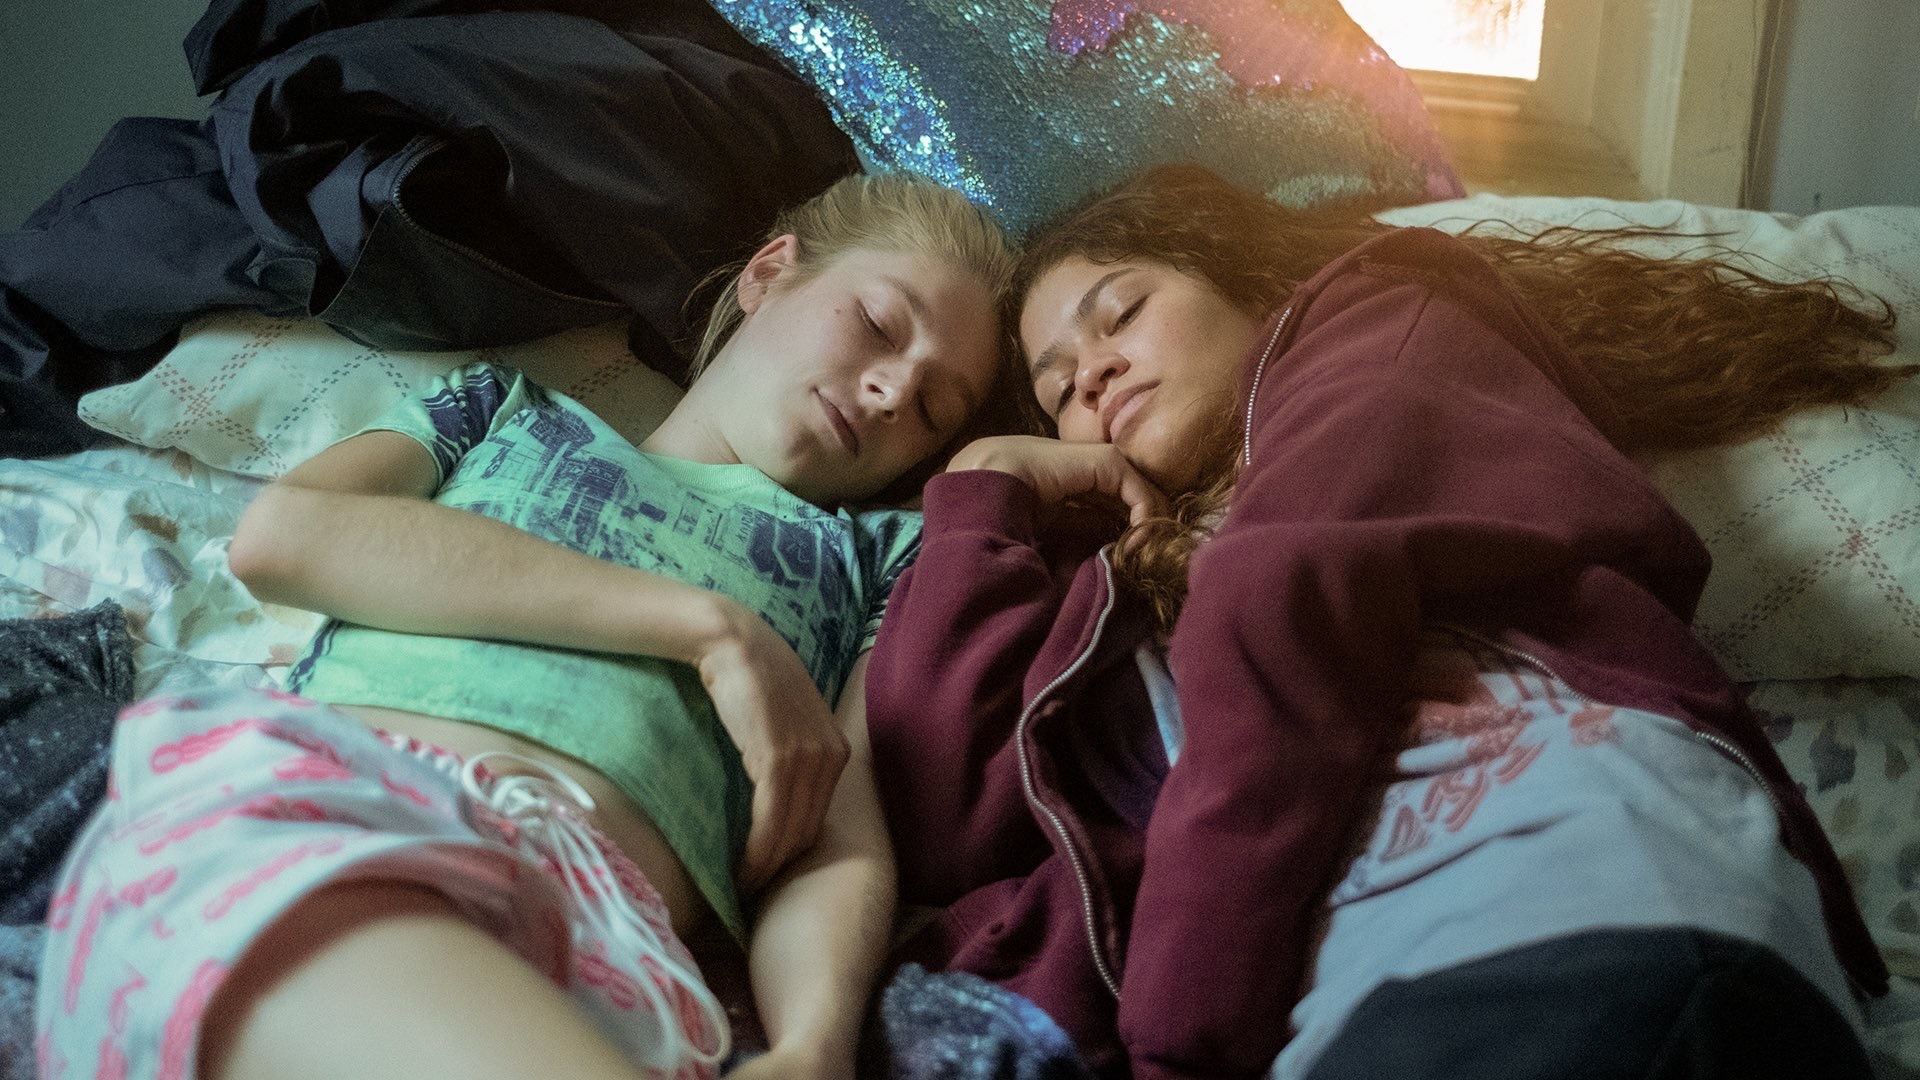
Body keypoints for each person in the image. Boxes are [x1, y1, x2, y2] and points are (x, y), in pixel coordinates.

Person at [864, 164, 1910, 1080]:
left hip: (1584, 889)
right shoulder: (1111, 570)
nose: (1089, 375)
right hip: (1362, 994)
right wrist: (985, 492)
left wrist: (1177, 1045)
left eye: (1120, 312)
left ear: (1243, 281)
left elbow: (1284, 604)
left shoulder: (1379, 330)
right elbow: (951, 818)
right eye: (1055, 391)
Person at [34, 171, 1016, 1080]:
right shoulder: (502, 413)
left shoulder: (876, 561)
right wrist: (710, 630)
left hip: (611, 947)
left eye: (935, 408)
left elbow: (840, 823)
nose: (894, 391)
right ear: (769, 273)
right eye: (879, 324)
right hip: (340, 821)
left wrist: (813, 1043)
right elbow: (288, 537)